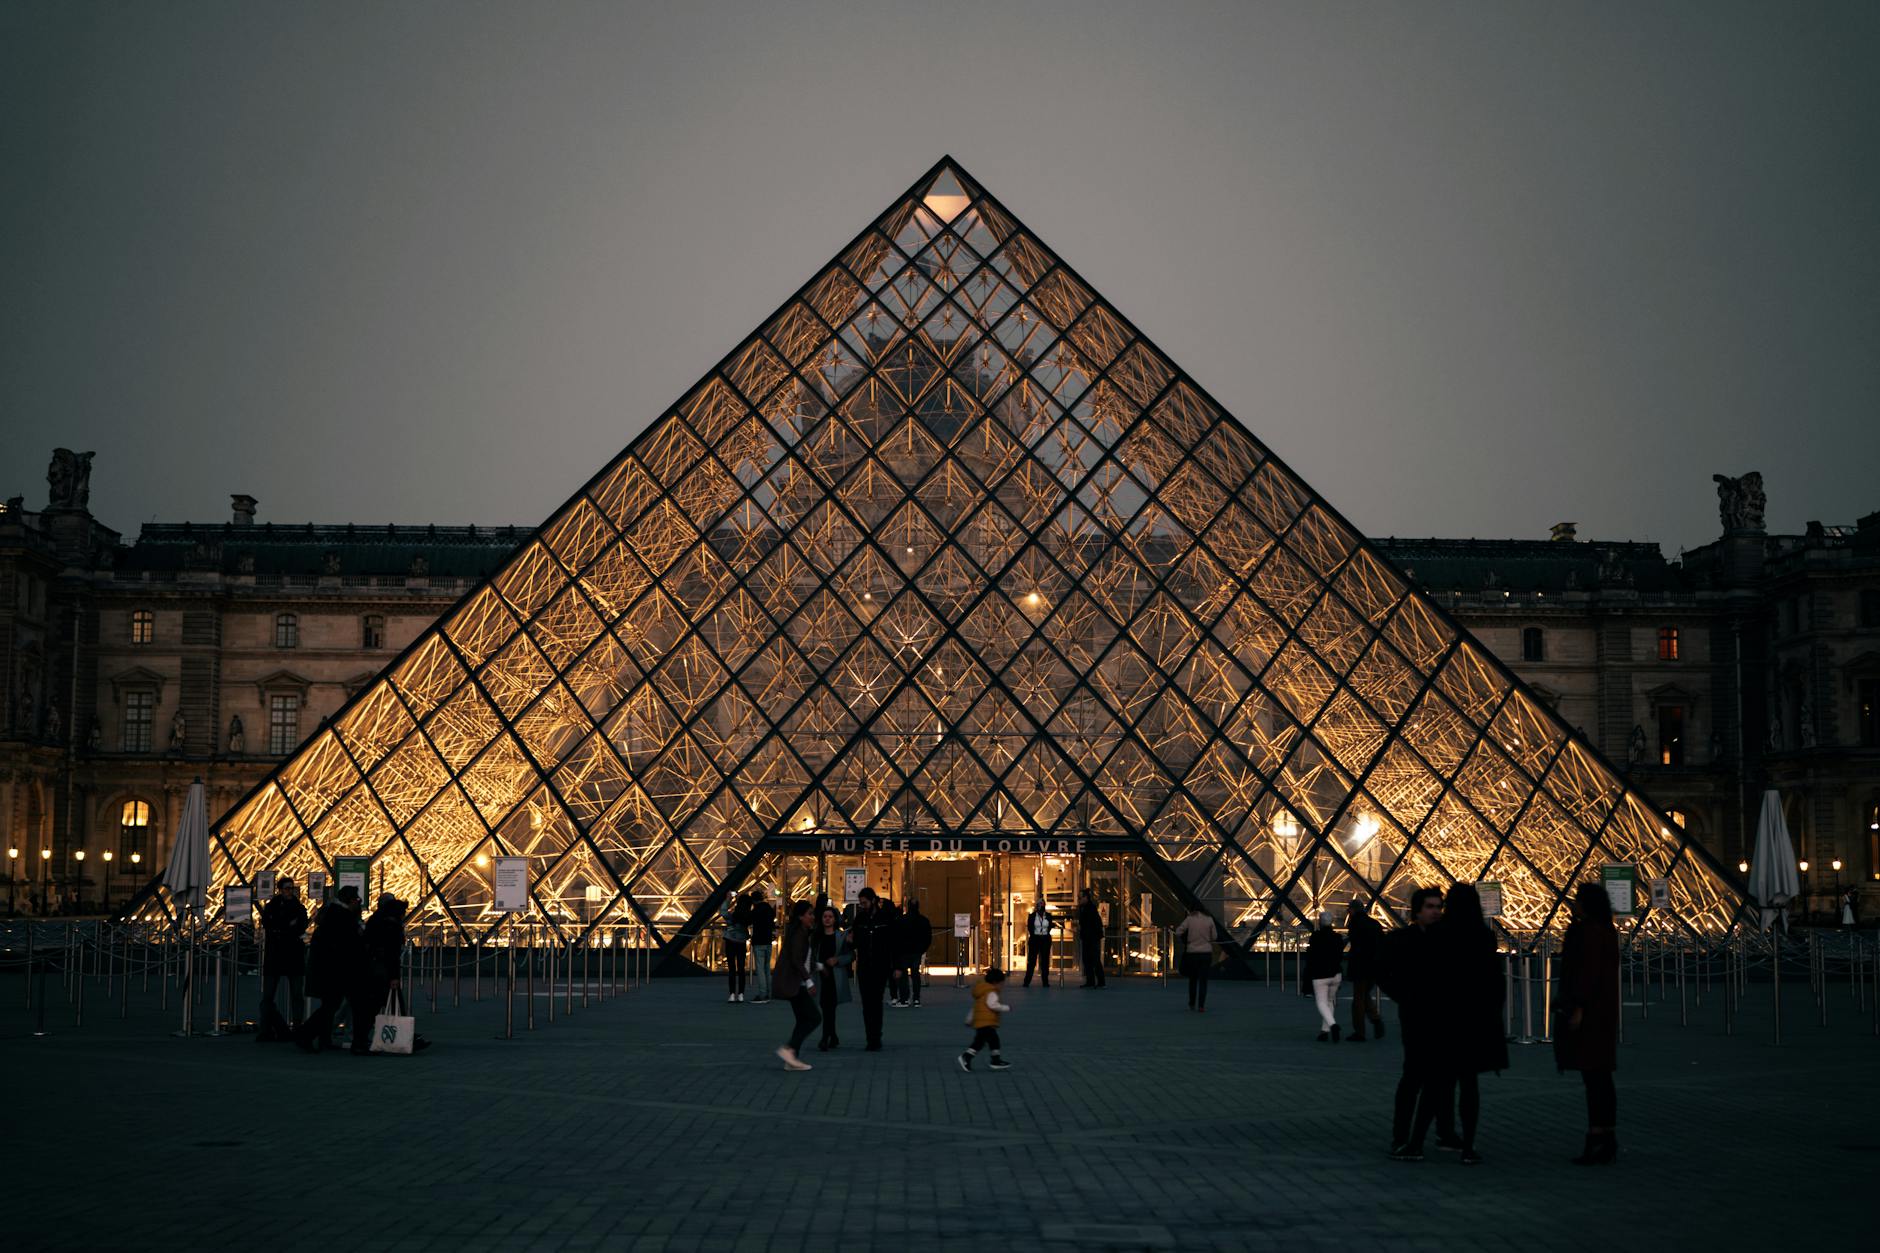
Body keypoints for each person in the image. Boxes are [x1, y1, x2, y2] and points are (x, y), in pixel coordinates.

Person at [1409, 884, 1504, 1164]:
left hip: (1443, 1020)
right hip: (1473, 1021)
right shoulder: (1485, 937)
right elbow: (1493, 982)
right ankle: (1468, 1148)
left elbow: (1427, 979)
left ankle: (1415, 1143)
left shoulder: (1438, 933)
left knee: (1435, 1085)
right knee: (1469, 1087)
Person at [1380, 886, 1460, 1158]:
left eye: (1439, 906)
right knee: (1413, 1077)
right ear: (1416, 911)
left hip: (1444, 1017)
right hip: (1415, 1017)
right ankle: (1400, 1136)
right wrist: (1403, 996)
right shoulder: (1400, 940)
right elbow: (1382, 972)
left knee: (1445, 1078)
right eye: (1430, 906)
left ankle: (1445, 1132)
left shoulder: (1448, 939)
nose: (1436, 911)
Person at [1555, 881, 1620, 1165]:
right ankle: (1606, 1136)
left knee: (1593, 1076)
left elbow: (1586, 973)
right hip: (1603, 1013)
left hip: (1590, 1014)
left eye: (1578, 899)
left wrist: (1577, 1008)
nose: (1574, 903)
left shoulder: (1589, 932)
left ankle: (1597, 1139)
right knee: (1601, 1076)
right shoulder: (1607, 930)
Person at [295, 885, 363, 1053]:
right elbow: (350, 944)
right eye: (356, 899)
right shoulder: (343, 917)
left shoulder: (331, 914)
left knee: (329, 1005)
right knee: (330, 1006)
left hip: (325, 970)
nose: (358, 903)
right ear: (350, 900)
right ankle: (306, 1034)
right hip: (335, 971)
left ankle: (324, 1039)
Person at [358, 894, 416, 1056]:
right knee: (382, 1006)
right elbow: (392, 954)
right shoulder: (392, 926)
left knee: (374, 1007)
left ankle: (406, 1037)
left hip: (372, 968)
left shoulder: (375, 920)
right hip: (384, 972)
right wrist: (394, 977)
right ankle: (404, 1037)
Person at [259, 877, 308, 1037]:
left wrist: (281, 927)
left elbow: (301, 925)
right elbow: (269, 924)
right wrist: (288, 925)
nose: (290, 891)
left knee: (297, 995)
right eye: (287, 888)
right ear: (280, 890)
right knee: (268, 995)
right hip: (277, 955)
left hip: (291, 955)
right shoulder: (272, 907)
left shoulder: (299, 907)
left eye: (292, 888)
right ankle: (265, 1029)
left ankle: (298, 1028)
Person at [773, 901, 820, 1071]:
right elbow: (796, 960)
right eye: (809, 914)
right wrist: (809, 981)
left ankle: (791, 1059)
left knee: (803, 1019)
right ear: (801, 916)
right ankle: (790, 1050)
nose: (812, 917)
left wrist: (818, 966)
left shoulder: (800, 933)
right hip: (797, 984)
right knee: (814, 1018)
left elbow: (802, 960)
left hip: (796, 982)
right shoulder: (799, 934)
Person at [850, 887, 894, 1049]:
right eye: (861, 903)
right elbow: (855, 940)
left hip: (879, 966)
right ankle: (871, 1036)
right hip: (864, 967)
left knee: (875, 1002)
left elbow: (891, 943)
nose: (862, 906)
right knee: (867, 1004)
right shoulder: (860, 919)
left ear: (873, 901)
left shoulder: (885, 919)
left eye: (865, 903)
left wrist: (895, 966)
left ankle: (875, 1037)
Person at [1344, 898, 1386, 1042]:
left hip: (1360, 966)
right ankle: (1376, 1020)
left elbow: (1355, 945)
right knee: (1364, 995)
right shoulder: (1375, 924)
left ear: (1354, 910)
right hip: (1374, 966)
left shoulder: (1355, 924)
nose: (1348, 911)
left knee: (1358, 1000)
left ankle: (1360, 1032)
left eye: (1349, 909)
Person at [957, 966, 1013, 1071]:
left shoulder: (982, 991)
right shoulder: (992, 992)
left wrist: (969, 1019)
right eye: (1002, 984)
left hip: (981, 1022)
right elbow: (993, 1005)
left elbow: (976, 1008)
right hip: (986, 1023)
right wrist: (1006, 1008)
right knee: (984, 1042)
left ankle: (994, 1059)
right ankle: (968, 1057)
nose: (1002, 986)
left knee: (986, 1041)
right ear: (996, 982)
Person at [814, 905, 853, 1050]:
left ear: (835, 919)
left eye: (830, 917)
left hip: (835, 977)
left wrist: (837, 960)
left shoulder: (840, 937)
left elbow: (850, 956)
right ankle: (833, 1036)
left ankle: (825, 1038)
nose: (827, 919)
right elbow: (811, 956)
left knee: (829, 1008)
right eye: (825, 917)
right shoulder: (816, 937)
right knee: (826, 1008)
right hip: (821, 976)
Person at [1304, 909, 1345, 1040]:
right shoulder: (1338, 937)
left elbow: (1311, 957)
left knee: (1321, 1003)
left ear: (1320, 922)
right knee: (1330, 1001)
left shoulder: (1315, 937)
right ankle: (1324, 1031)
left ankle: (1333, 1026)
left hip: (1320, 975)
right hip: (1336, 974)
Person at [1172, 904, 1218, 1011]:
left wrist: (1187, 938)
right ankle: (1201, 1005)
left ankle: (1192, 1003)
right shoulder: (1209, 919)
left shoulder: (1190, 919)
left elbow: (1178, 931)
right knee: (1203, 981)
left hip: (1192, 952)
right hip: (1206, 952)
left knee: (1192, 980)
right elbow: (1215, 937)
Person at [896, 898, 932, 1006]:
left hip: (904, 951)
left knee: (903, 975)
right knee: (915, 974)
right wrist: (923, 949)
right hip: (917, 952)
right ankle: (916, 998)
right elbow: (928, 937)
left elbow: (897, 937)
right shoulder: (924, 920)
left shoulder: (902, 920)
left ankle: (904, 998)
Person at [748, 891, 777, 1003]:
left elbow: (749, 920)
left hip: (759, 941)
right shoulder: (769, 909)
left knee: (760, 970)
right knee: (766, 969)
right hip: (768, 941)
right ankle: (769, 993)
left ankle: (762, 994)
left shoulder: (755, 910)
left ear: (754, 900)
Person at [1023, 898, 1059, 987]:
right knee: (1032, 961)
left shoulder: (1048, 915)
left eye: (1043, 904)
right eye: (1040, 904)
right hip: (1035, 939)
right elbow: (1030, 928)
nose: (1041, 905)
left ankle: (1045, 982)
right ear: (1036, 905)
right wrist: (1035, 934)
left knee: (1045, 961)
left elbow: (1050, 926)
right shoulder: (1032, 916)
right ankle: (1027, 981)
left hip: (1045, 939)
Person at [722, 892, 751, 1003]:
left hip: (730, 941)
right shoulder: (747, 916)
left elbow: (723, 912)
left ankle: (732, 994)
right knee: (741, 969)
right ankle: (741, 994)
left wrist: (728, 899)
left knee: (732, 969)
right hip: (741, 943)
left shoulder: (733, 915)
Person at [1077, 889, 1107, 988]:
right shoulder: (1084, 908)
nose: (1079, 900)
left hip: (1092, 938)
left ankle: (1100, 982)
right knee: (1087, 960)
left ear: (1086, 898)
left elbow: (1091, 924)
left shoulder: (1090, 908)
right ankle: (1091, 981)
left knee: (1094, 960)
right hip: (1088, 937)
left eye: (1080, 898)